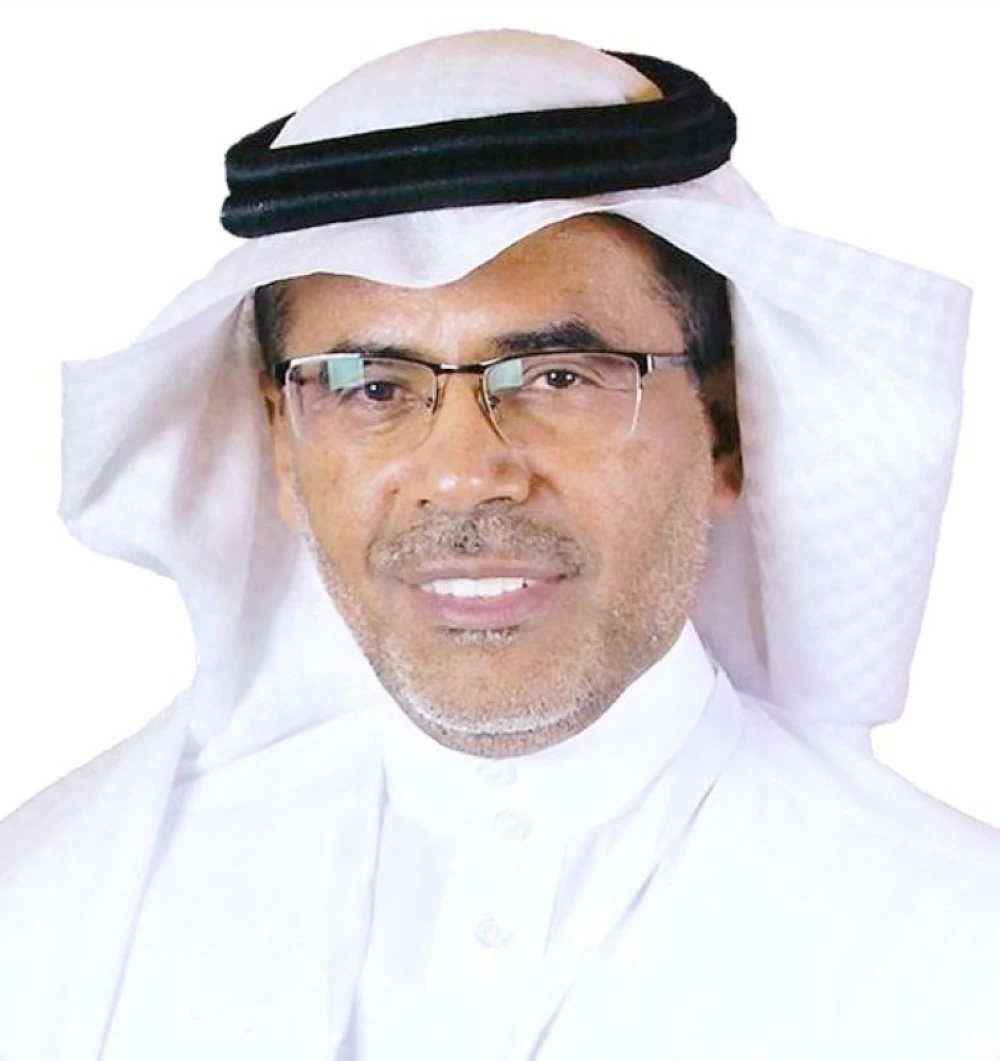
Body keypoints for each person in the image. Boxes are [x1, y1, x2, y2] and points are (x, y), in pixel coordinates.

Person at [1, 28, 997, 1061]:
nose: (464, 473)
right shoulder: (62, 924)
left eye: (560, 377)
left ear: (724, 427)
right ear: (284, 454)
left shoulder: (958, 950)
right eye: (371, 387)